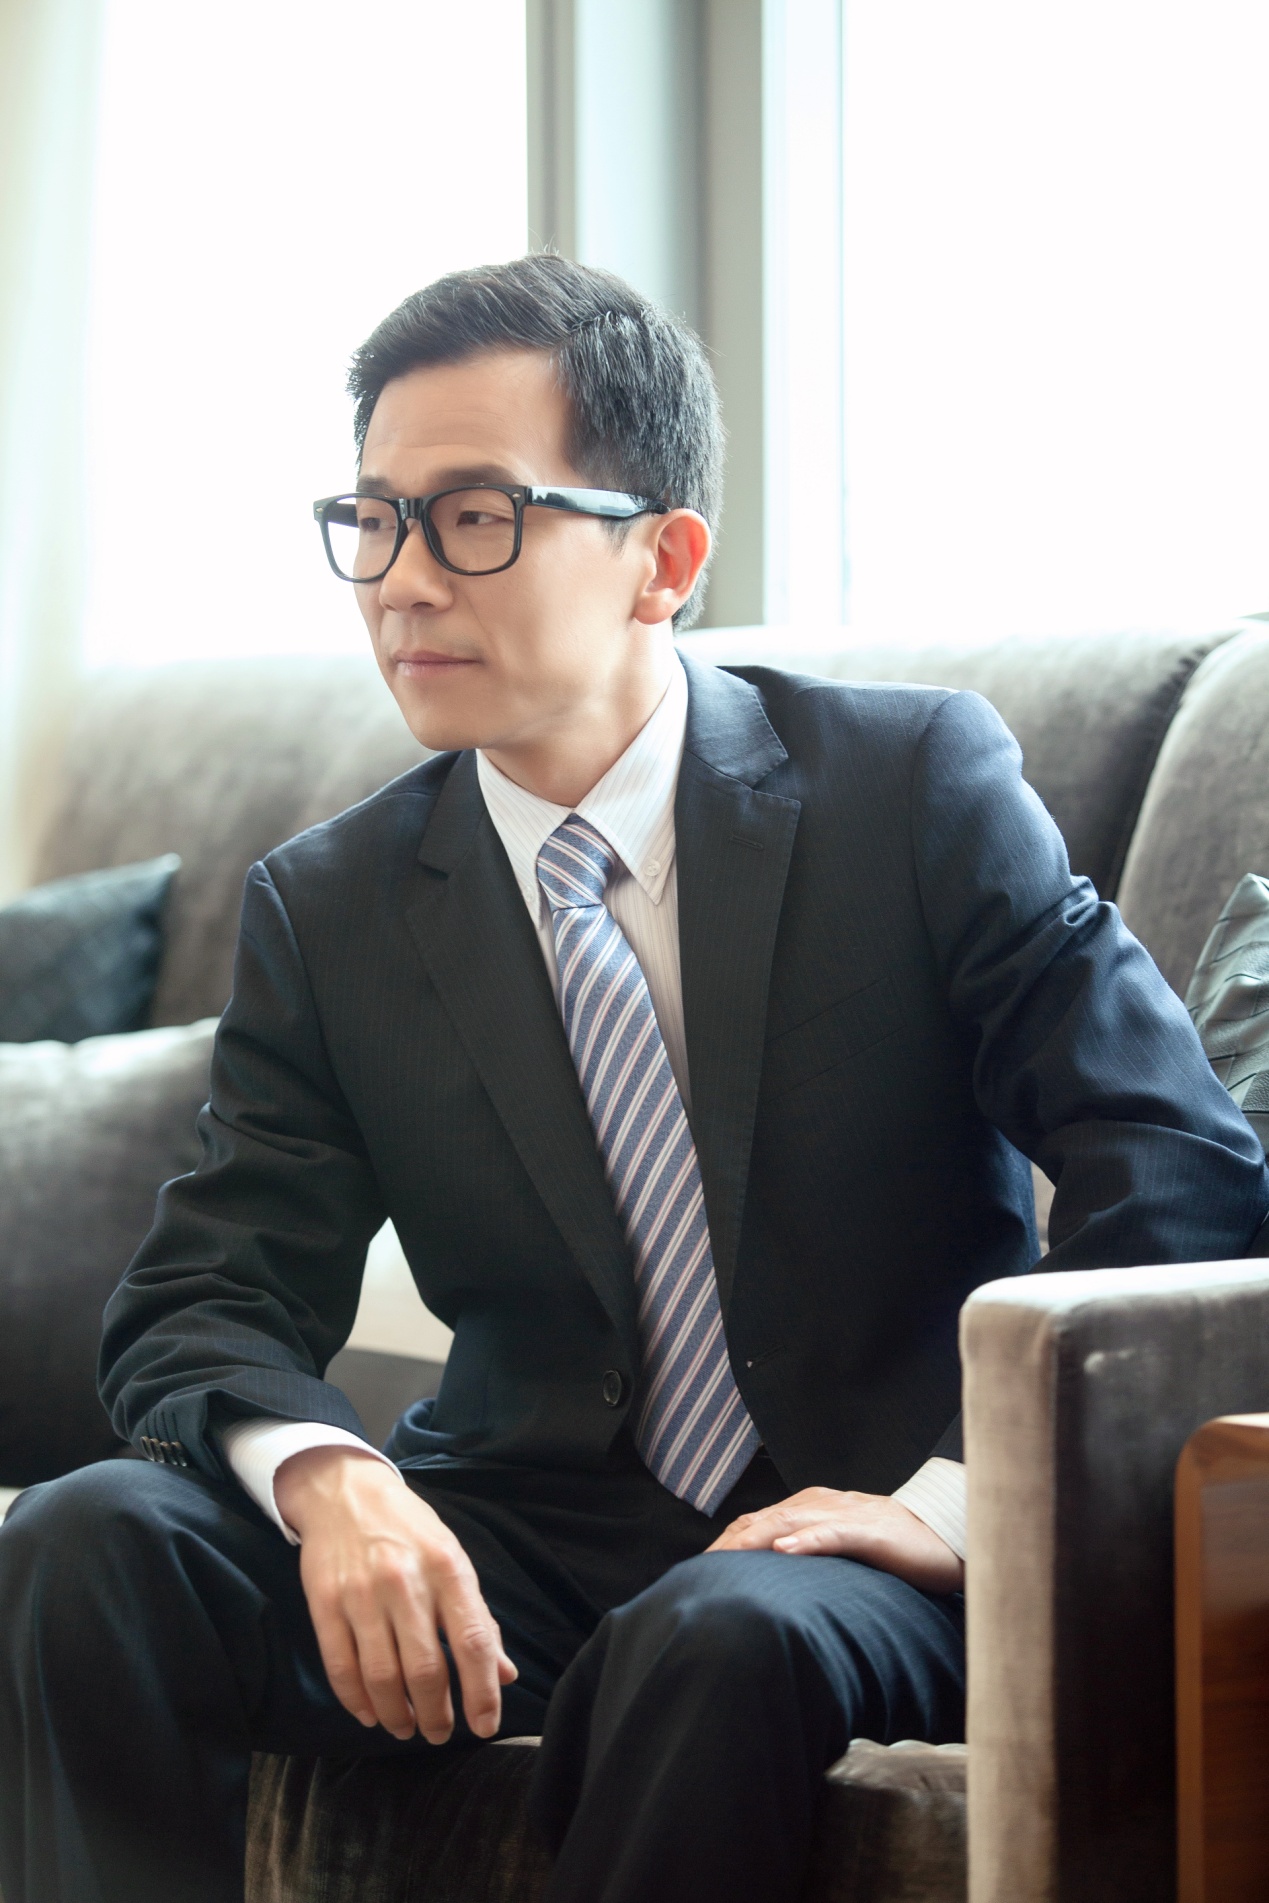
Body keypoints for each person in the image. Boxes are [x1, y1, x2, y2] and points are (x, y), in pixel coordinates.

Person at [0, 254, 1264, 1903]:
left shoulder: (908, 788)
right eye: (370, 520)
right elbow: (204, 1293)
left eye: (472, 518)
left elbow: (1174, 1163)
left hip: (862, 1531)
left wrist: (959, 1503)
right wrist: (335, 1479)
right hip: (520, 1523)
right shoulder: (332, 901)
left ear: (662, 559)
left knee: (714, 1636)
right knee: (88, 1540)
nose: (400, 583)